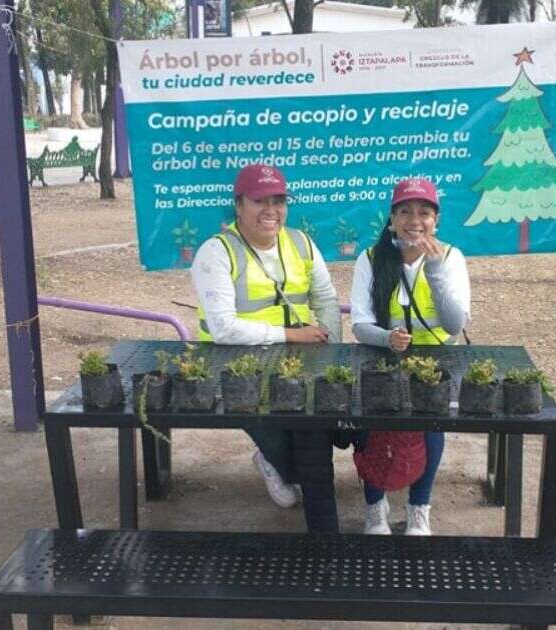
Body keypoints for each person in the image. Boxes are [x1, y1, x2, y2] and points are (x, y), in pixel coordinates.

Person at [190, 163, 341, 514]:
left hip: (298, 358)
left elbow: (326, 299)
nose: (271, 211)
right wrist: (291, 335)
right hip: (234, 365)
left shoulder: (301, 243)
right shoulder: (216, 252)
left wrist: (332, 356)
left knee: (316, 439)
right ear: (239, 206)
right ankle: (274, 461)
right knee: (294, 458)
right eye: (260, 201)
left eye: (279, 201)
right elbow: (224, 328)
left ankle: (288, 467)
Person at [349, 177, 471, 536]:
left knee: (429, 422)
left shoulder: (450, 257)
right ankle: (375, 504)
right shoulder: (370, 259)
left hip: (436, 361)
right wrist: (387, 338)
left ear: (437, 220)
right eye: (404, 211)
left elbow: (454, 323)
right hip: (380, 357)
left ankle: (419, 506)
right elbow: (359, 324)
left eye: (424, 212)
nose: (414, 220)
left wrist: (433, 272)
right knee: (373, 423)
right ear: (391, 219)